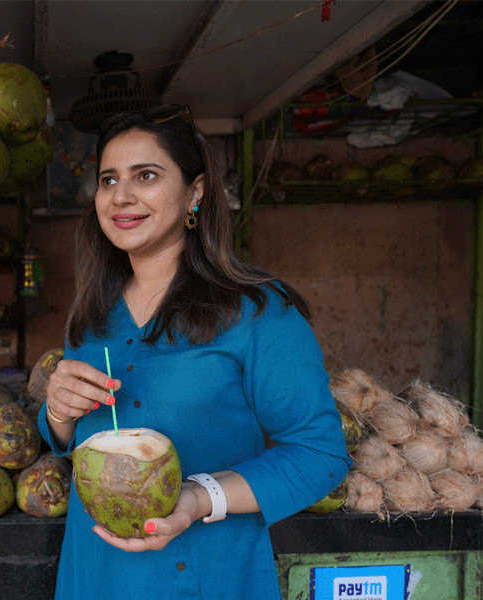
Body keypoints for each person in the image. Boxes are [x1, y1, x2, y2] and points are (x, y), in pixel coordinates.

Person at [37, 104, 352, 600]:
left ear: (196, 191)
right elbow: (73, 435)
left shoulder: (258, 312)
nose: (121, 196)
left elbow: (320, 455)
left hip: (206, 578)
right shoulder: (93, 314)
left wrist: (200, 497)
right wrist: (56, 413)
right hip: (93, 574)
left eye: (146, 175)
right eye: (108, 179)